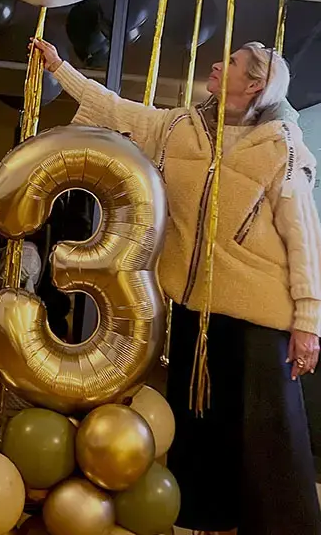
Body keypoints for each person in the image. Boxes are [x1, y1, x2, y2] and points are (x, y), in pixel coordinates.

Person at [33, 38, 321, 535]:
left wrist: (308, 322)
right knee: (198, 426)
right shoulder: (182, 128)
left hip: (258, 317)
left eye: (232, 62)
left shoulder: (283, 148)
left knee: (266, 439)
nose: (217, 63)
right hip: (194, 311)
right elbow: (115, 109)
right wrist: (60, 67)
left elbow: (303, 237)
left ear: (255, 84)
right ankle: (206, 520)